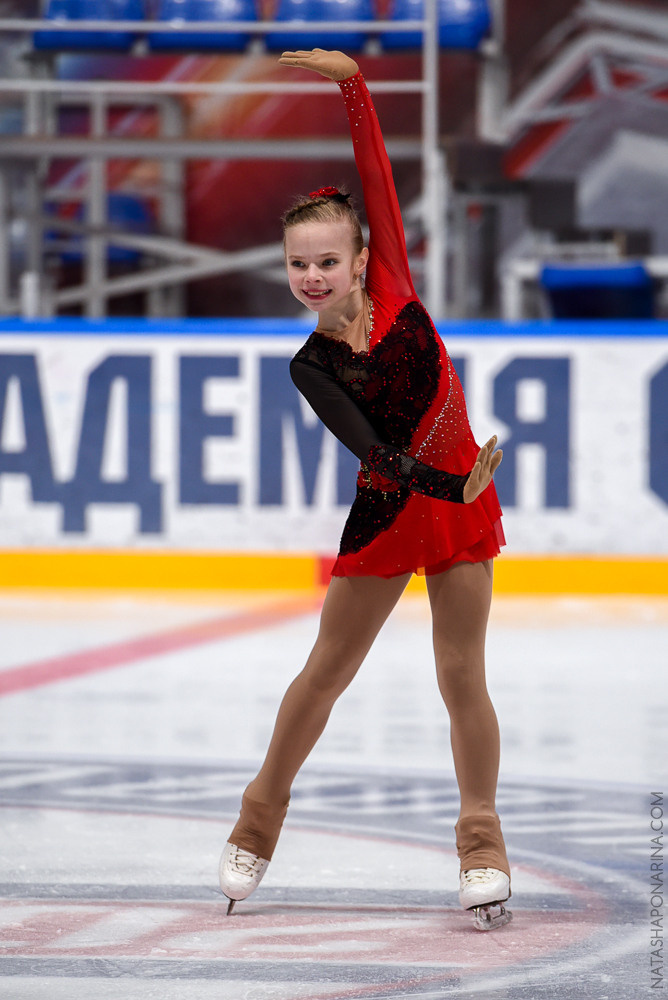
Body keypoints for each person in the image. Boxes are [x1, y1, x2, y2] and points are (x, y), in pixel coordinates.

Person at [220, 48, 511, 932]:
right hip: (394, 510)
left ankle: (482, 845)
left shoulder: (397, 287)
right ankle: (257, 822)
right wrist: (451, 482)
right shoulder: (311, 364)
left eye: (326, 260)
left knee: (462, 676)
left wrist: (354, 86)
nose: (312, 276)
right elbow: (377, 456)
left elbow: (376, 175)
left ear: (360, 259)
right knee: (325, 675)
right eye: (297, 264)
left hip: (459, 510)